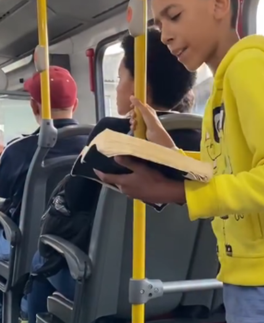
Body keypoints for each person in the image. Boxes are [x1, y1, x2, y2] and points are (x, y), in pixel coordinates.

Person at [95, 0, 264, 323]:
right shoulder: (226, 86)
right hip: (254, 275)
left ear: (219, 5)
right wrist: (172, 156)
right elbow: (234, 170)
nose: (165, 36)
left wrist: (172, 190)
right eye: (159, 26)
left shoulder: (251, 67)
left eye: (173, 17)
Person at [22, 29, 199, 322]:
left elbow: (73, 201)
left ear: (138, 86)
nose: (117, 88)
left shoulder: (114, 132)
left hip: (111, 288)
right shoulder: (203, 141)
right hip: (187, 289)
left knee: (43, 260)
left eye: (119, 79)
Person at [0, 66, 88, 260]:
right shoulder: (95, 145)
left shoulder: (18, 150)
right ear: (75, 105)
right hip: (80, 241)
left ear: (34, 106)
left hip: (24, 243)